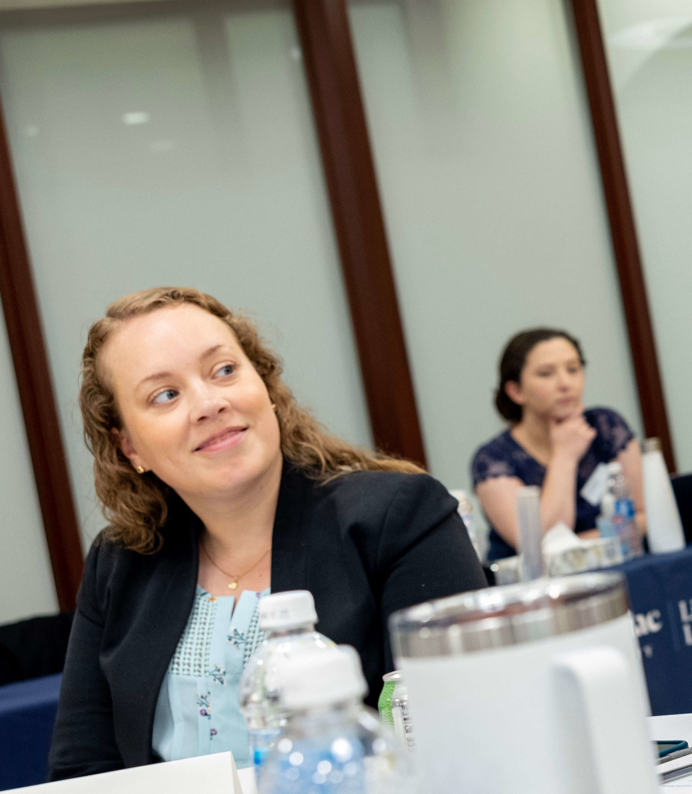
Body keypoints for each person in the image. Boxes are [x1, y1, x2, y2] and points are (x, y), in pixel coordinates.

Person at [49, 288, 487, 778]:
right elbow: (83, 772)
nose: (209, 403)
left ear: (265, 388)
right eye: (165, 395)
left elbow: (460, 740)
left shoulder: (397, 518)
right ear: (130, 447)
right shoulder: (120, 561)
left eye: (224, 370)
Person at [471, 328, 645, 561]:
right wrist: (565, 455)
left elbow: (643, 517)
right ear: (516, 391)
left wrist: (576, 546)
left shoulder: (606, 426)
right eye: (546, 374)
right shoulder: (492, 459)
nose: (565, 383)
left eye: (573, 369)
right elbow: (540, 546)